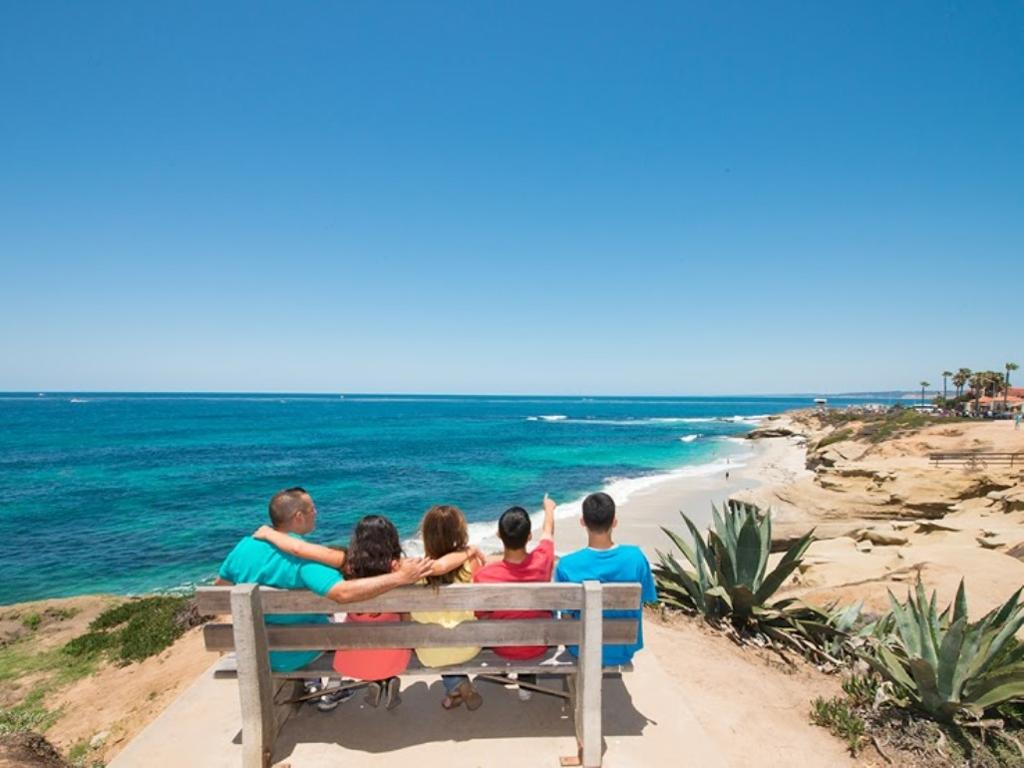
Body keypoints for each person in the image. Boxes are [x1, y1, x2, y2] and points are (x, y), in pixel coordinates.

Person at [216, 488, 434, 711]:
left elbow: (219, 591)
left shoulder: (243, 547)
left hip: (253, 649)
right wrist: (399, 578)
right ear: (298, 517)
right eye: (312, 509)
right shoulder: (308, 563)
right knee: (331, 625)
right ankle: (328, 685)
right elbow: (343, 593)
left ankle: (313, 685)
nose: (317, 513)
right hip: (300, 651)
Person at [554, 492, 657, 666]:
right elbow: (646, 598)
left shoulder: (567, 565)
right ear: (614, 522)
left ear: (583, 522)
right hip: (623, 648)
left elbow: (565, 616)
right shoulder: (636, 557)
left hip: (580, 648)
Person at [472, 494, 557, 700]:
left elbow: (480, 615)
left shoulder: (484, 575)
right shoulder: (543, 559)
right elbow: (548, 533)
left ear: (499, 536)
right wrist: (549, 509)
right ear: (529, 537)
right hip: (539, 643)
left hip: (501, 646)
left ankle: (501, 672)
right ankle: (526, 679)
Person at [330, 515, 412, 710]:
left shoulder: (348, 569)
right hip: (393, 652)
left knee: (359, 631)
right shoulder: (398, 569)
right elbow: (406, 614)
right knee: (396, 627)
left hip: (354, 654)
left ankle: (377, 680)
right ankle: (385, 678)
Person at [410, 504, 486, 711]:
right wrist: (470, 551)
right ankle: (456, 686)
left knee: (437, 634)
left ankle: (455, 687)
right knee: (452, 631)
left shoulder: (416, 572)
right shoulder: (472, 564)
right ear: (460, 534)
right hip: (469, 646)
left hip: (430, 653)